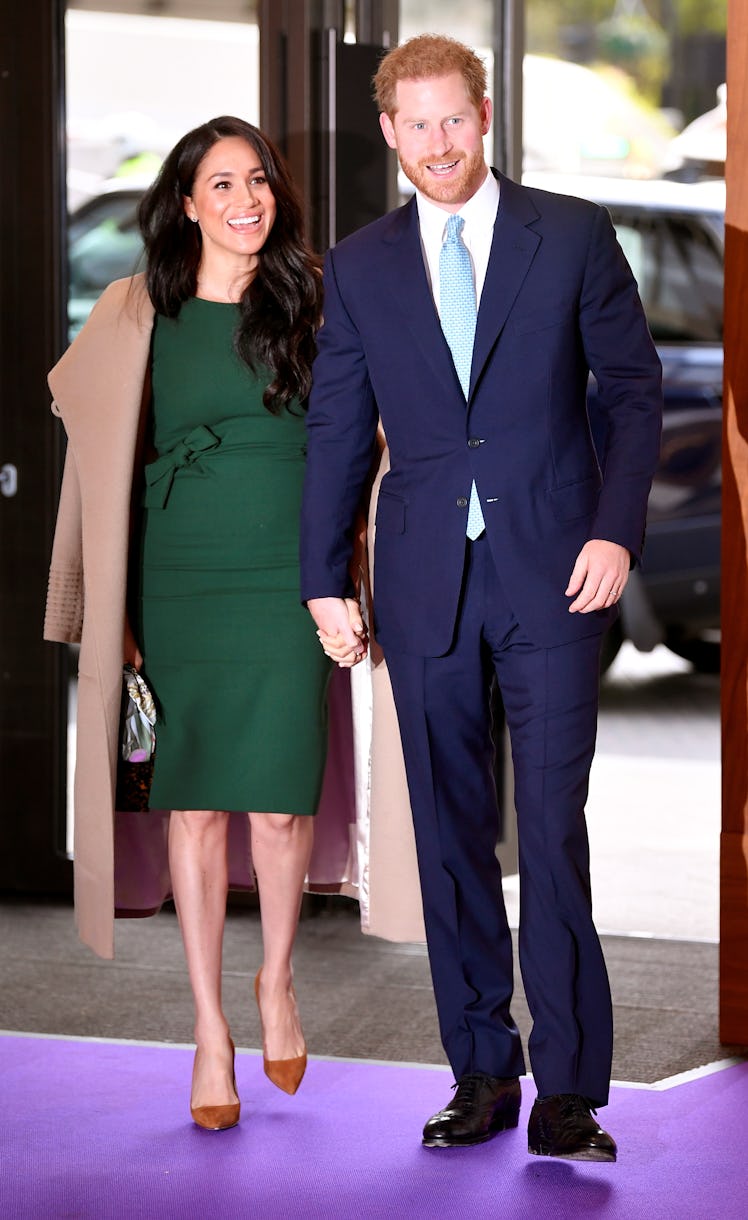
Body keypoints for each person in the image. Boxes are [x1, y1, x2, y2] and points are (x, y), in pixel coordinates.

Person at [301, 35, 663, 1160]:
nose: (438, 143)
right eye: (415, 124)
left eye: (453, 118)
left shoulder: (571, 233)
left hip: (557, 573)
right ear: (389, 133)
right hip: (423, 584)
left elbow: (634, 389)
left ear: (486, 114)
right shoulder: (359, 265)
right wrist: (322, 576)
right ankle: (480, 1071)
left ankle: (569, 1088)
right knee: (450, 838)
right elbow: (336, 427)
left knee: (549, 831)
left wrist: (615, 528)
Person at [43, 115, 365, 1132]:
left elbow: (363, 438)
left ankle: (276, 980)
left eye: (257, 179)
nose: (244, 199)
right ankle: (208, 1028)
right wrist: (111, 607)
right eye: (221, 183)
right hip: (178, 574)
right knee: (191, 807)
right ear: (185, 203)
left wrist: (351, 573)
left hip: (288, 577)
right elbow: (92, 444)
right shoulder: (135, 308)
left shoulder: (317, 298)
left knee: (277, 804)